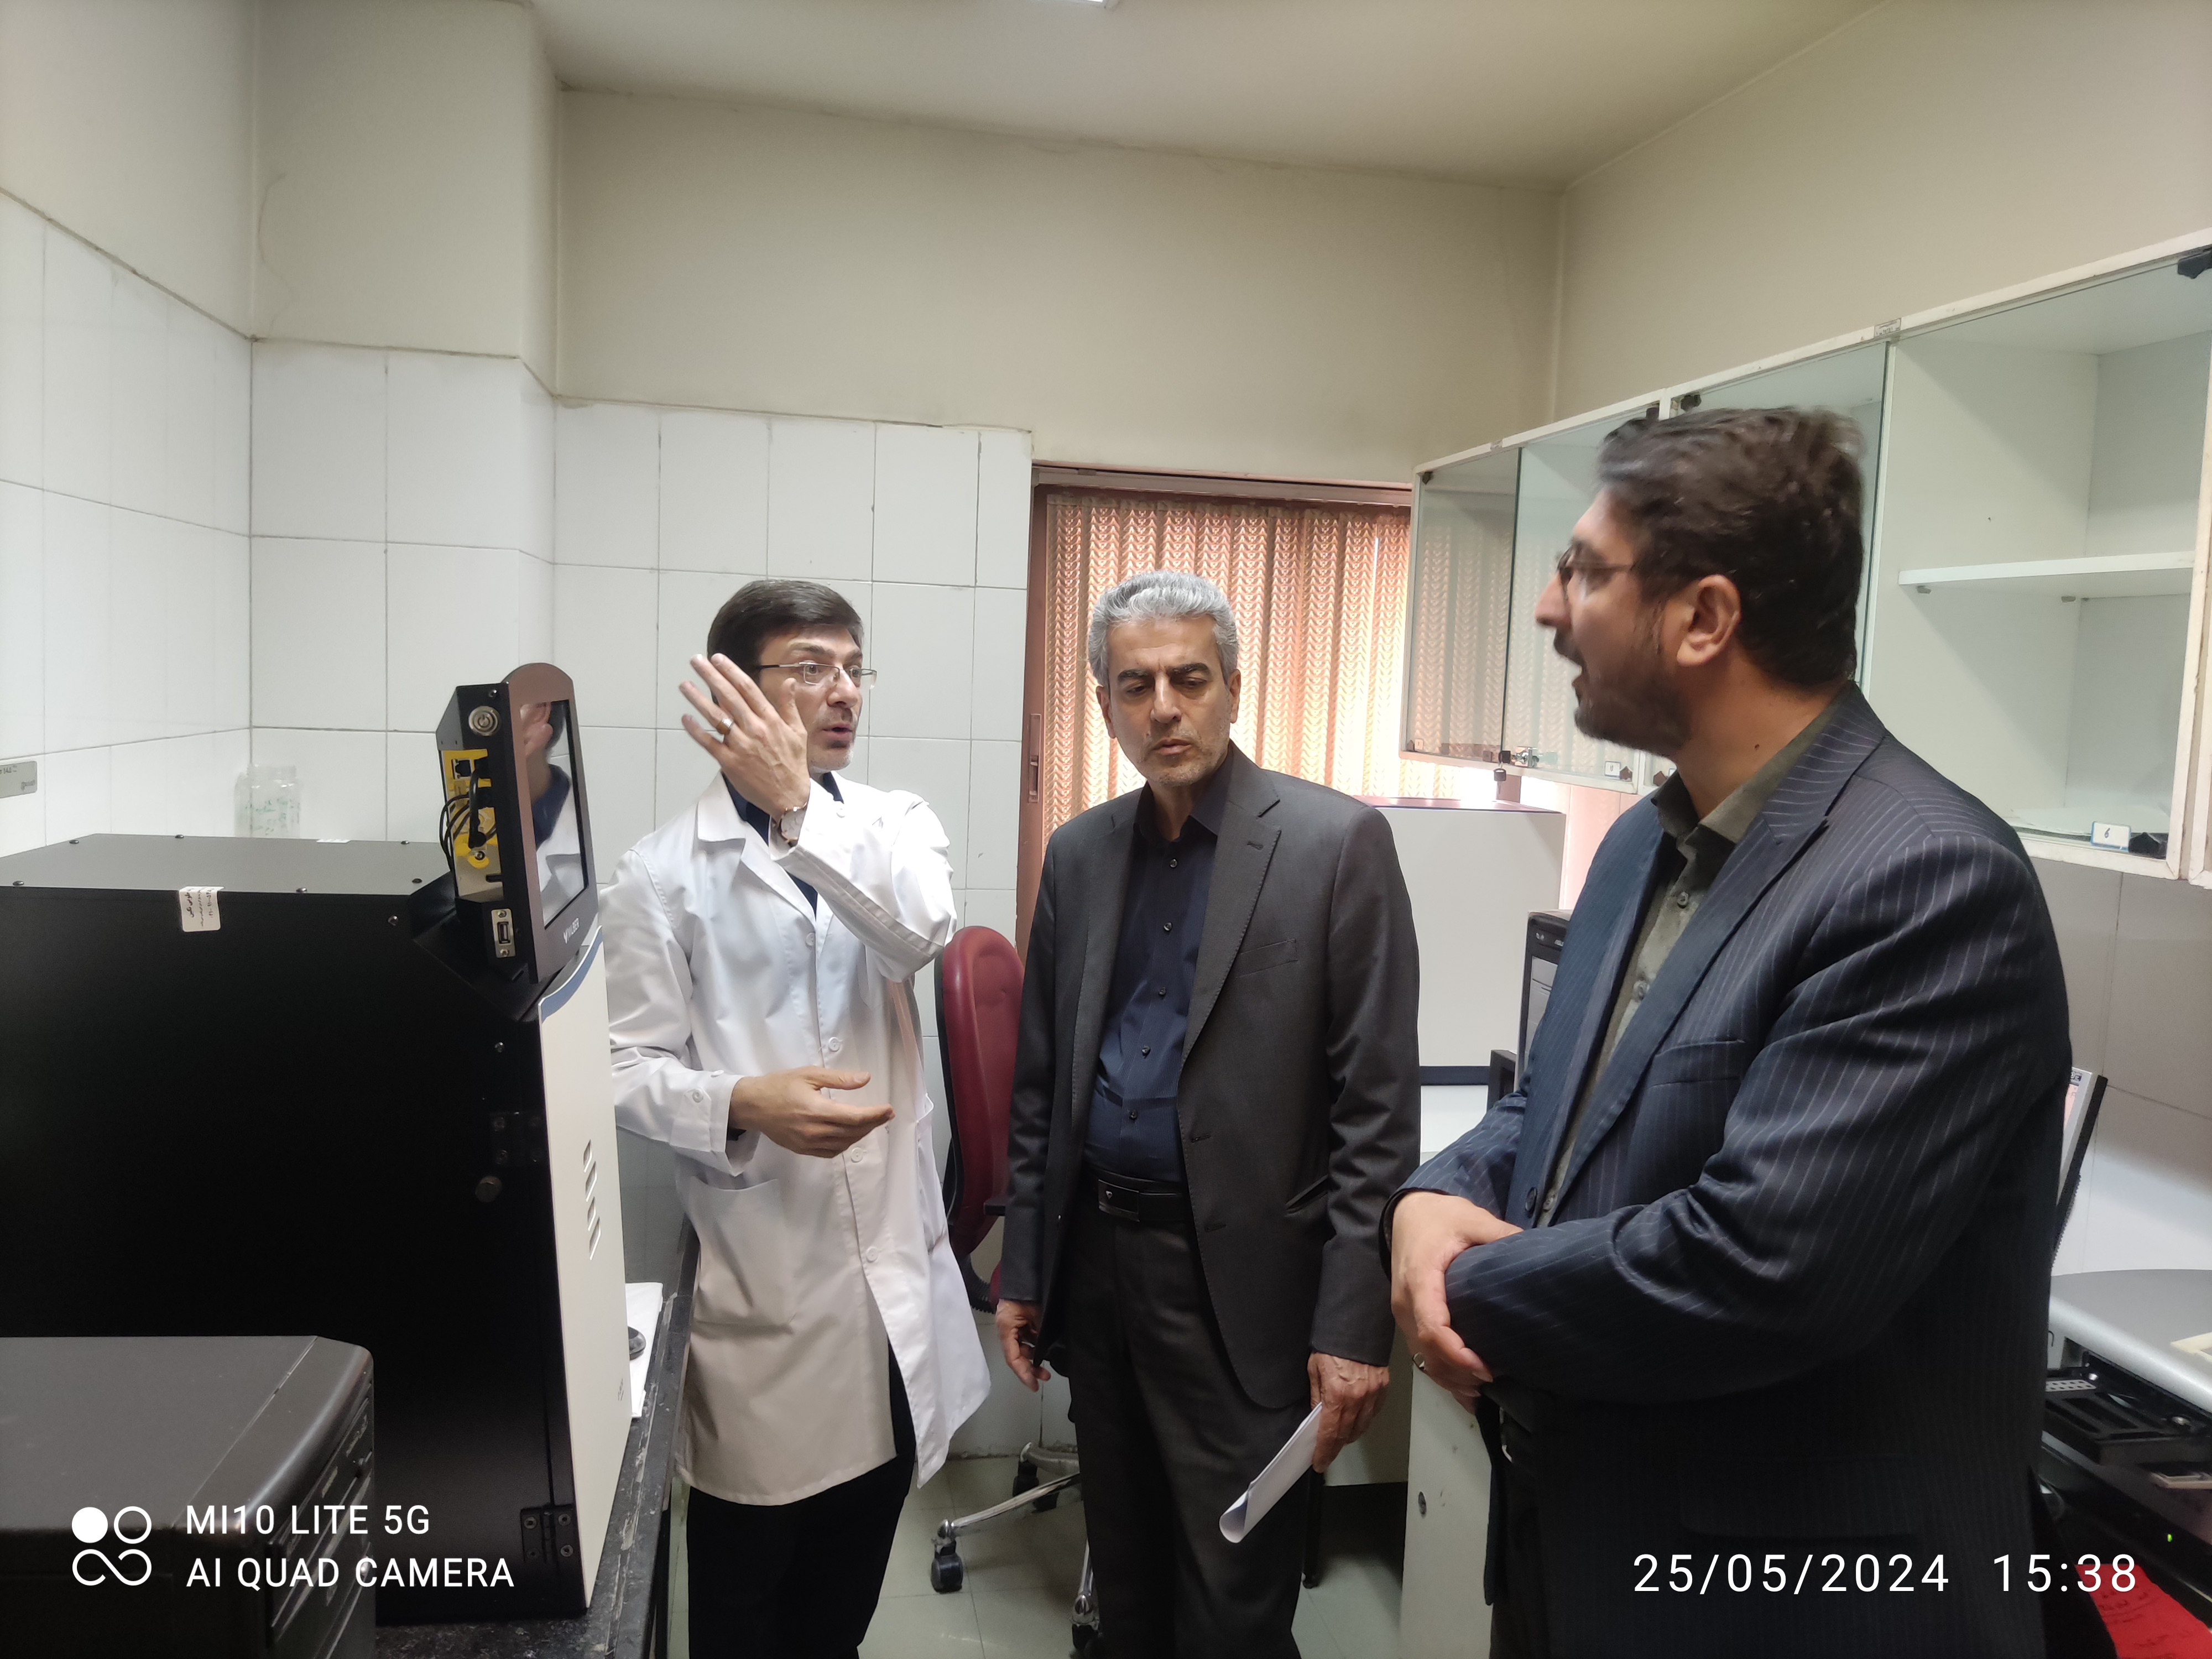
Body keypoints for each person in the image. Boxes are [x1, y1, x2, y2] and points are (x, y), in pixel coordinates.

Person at [1386, 409, 2073, 1658]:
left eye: (1585, 572)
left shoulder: (1926, 878)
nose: (1547, 608)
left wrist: (1453, 1283)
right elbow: (1552, 1111)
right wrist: (1432, 1199)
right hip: (1575, 1549)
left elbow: (1760, 1265)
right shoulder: (1641, 844)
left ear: (1704, 618)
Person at [997, 570, 1420, 1656]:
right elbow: (1043, 1087)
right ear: (1103, 702)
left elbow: (1374, 1113)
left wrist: (1350, 1326)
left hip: (1240, 1293)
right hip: (1100, 1272)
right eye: (1134, 685)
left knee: (1234, 1604)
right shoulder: (1080, 855)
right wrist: (1026, 1271)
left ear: (1233, 686)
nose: (1163, 709)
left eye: (1189, 679)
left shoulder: (1334, 846)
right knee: (1126, 1581)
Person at [600, 578, 988, 1658]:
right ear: (735, 693)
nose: (844, 692)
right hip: (765, 1290)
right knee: (744, 1604)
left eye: (854, 669)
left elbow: (918, 935)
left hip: (889, 1296)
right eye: (811, 669)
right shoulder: (658, 876)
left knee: (841, 1603)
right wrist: (738, 1103)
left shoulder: (893, 824)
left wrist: (802, 810)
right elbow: (621, 1067)